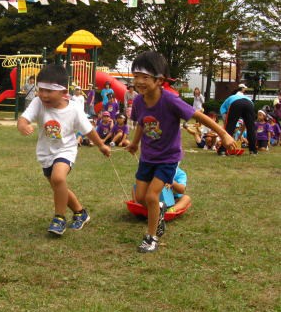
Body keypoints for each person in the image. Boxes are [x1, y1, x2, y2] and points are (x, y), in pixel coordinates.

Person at [126, 50, 236, 253]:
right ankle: (159, 211)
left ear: (159, 80)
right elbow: (142, 124)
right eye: (136, 76)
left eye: (144, 77)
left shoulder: (170, 100)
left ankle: (152, 237)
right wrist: (134, 144)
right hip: (147, 157)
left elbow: (198, 116)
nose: (139, 81)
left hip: (168, 158)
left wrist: (224, 134)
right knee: (140, 197)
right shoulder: (140, 101)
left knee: (152, 196)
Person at [17, 64, 110, 236]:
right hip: (45, 153)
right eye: (41, 89)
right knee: (59, 187)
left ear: (63, 91)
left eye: (49, 91)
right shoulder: (38, 102)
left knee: (58, 178)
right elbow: (24, 118)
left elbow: (89, 130)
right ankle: (81, 213)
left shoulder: (74, 109)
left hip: (66, 150)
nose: (44, 94)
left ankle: (59, 218)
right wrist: (22, 125)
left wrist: (102, 145)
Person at [219, 86, 257, 155]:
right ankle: (253, 150)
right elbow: (248, 123)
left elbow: (222, 110)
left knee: (229, 127)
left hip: (235, 104)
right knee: (251, 128)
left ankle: (223, 150)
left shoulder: (230, 98)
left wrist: (226, 122)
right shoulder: (248, 98)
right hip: (250, 105)